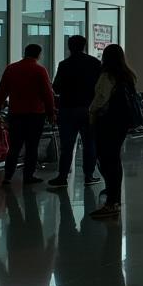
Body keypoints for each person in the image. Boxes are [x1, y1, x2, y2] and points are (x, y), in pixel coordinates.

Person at [87, 44, 138, 219]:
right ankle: (114, 196)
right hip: (122, 122)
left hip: (107, 122)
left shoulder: (107, 75)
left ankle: (112, 200)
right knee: (114, 158)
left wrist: (91, 113)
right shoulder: (127, 75)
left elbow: (101, 98)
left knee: (106, 159)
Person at [0, 44, 56, 186]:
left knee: (14, 146)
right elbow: (47, 94)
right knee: (32, 146)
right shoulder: (40, 70)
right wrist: (51, 112)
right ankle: (28, 176)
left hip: (16, 114)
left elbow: (2, 91)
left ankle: (7, 177)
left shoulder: (11, 69)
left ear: (24, 53)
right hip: (35, 115)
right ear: (39, 55)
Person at [49, 34, 101, 189]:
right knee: (89, 144)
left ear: (69, 47)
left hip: (67, 109)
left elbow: (56, 87)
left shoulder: (64, 64)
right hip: (88, 109)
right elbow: (99, 87)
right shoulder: (94, 63)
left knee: (67, 145)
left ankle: (62, 176)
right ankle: (89, 175)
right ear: (84, 46)